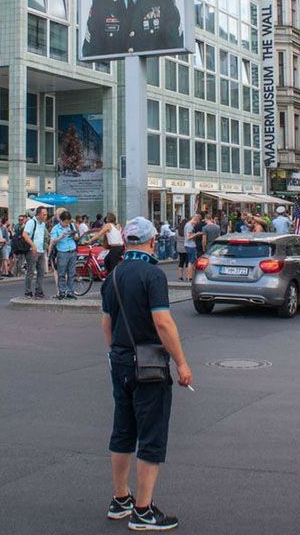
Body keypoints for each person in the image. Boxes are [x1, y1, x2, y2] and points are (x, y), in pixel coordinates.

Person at [99, 216, 191, 531]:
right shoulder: (152, 275)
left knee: (123, 430)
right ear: (152, 242)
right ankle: (143, 511)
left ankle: (120, 499)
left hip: (121, 361)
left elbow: (106, 324)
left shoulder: (113, 275)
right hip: (149, 363)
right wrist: (181, 362)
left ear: (126, 242)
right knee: (151, 435)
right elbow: (163, 322)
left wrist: (118, 353)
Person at [50, 211, 80, 299]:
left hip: (72, 251)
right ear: (61, 220)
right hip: (62, 252)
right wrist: (60, 237)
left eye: (68, 222)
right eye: (65, 222)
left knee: (71, 273)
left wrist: (75, 236)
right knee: (61, 273)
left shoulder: (71, 226)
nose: (67, 224)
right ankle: (62, 292)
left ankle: (70, 291)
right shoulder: (55, 228)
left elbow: (77, 237)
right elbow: (52, 241)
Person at [23, 207, 50, 299]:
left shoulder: (43, 224)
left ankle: (39, 291)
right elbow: (25, 234)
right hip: (32, 250)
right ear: (38, 214)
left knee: (41, 272)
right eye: (44, 214)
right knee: (30, 272)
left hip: (41, 250)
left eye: (46, 214)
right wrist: (33, 245)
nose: (46, 216)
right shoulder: (31, 222)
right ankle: (28, 291)